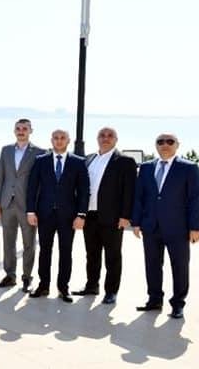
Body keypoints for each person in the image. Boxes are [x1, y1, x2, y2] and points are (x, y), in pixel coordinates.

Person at [131, 133, 199, 319]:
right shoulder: (146, 167)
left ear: (177, 145)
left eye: (170, 141)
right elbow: (139, 196)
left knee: (180, 266)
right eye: (160, 142)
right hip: (150, 226)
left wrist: (195, 227)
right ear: (156, 145)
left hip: (178, 228)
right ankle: (154, 300)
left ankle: (178, 304)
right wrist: (136, 222)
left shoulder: (189, 168)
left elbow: (195, 199)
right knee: (152, 265)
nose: (165, 145)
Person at [74, 127, 137, 305]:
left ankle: (111, 291)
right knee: (92, 254)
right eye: (102, 135)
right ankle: (92, 286)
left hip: (113, 217)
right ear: (97, 139)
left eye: (110, 136)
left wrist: (126, 216)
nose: (105, 138)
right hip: (90, 215)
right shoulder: (89, 159)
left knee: (113, 256)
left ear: (116, 139)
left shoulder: (125, 161)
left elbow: (129, 191)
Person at [26, 129, 90, 303]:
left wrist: (81, 215)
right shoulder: (41, 161)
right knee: (45, 251)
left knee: (66, 252)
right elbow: (32, 187)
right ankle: (43, 285)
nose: (59, 141)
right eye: (56, 138)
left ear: (68, 141)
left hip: (68, 216)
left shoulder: (78, 162)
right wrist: (30, 211)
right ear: (51, 140)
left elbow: (84, 190)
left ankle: (63, 287)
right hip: (44, 214)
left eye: (62, 138)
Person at [0, 118, 45, 292]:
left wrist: (35, 207)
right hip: (7, 203)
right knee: (8, 241)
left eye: (24, 128)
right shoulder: (6, 150)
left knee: (29, 243)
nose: (21, 131)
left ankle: (27, 277)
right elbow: (0, 176)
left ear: (30, 131)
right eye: (18, 128)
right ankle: (10, 275)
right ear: (14, 131)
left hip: (27, 205)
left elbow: (41, 182)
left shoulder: (39, 152)